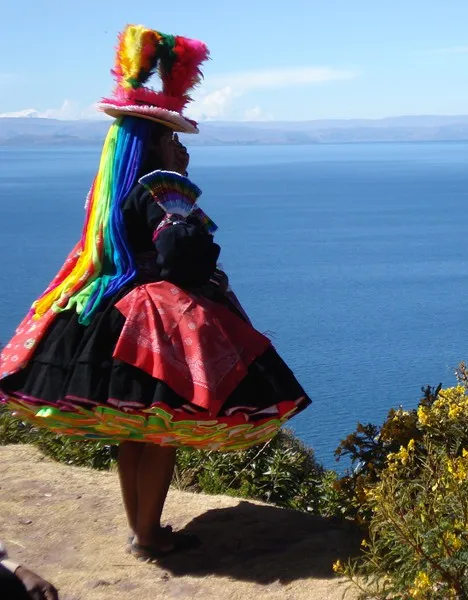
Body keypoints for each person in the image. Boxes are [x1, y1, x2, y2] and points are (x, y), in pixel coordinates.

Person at [0, 24, 311, 561]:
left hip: (111, 313)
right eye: (174, 138)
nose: (180, 146)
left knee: (133, 430)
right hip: (156, 322)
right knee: (160, 428)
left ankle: (141, 529)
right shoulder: (161, 188)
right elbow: (181, 255)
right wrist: (191, 224)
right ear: (154, 142)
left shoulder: (115, 192)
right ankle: (150, 536)